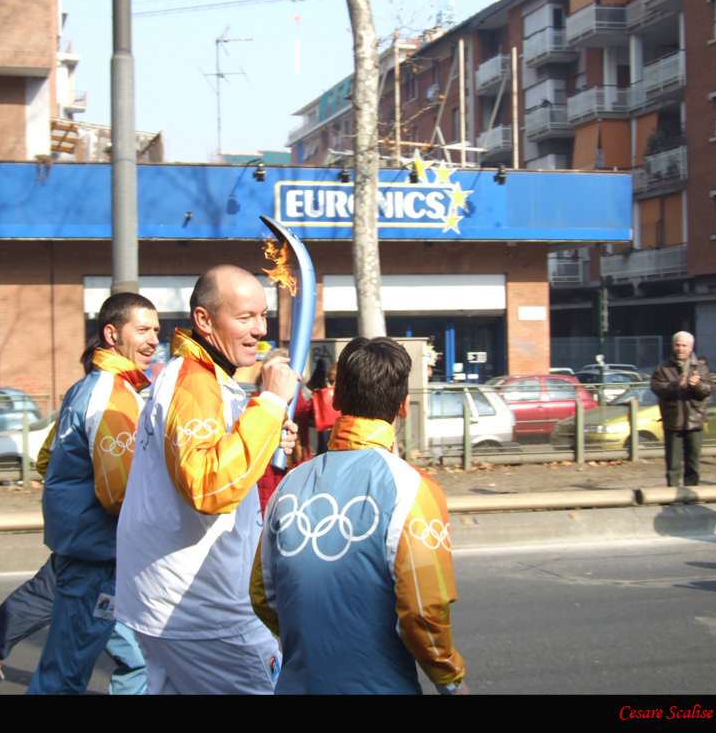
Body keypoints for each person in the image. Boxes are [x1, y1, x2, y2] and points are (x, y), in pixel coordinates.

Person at [115, 264, 299, 695]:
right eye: (245, 317)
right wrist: (271, 403)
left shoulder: (198, 377)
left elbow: (218, 459)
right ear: (204, 320)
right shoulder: (195, 383)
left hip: (169, 603)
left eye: (263, 316)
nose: (259, 329)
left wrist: (265, 431)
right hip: (204, 612)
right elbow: (209, 486)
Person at [250, 336, 467, 695]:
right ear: (404, 406)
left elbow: (261, 595)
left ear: (335, 399)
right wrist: (452, 681)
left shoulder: (289, 484)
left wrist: (313, 637)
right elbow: (424, 615)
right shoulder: (415, 489)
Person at [24, 292, 160, 694]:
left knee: (140, 663)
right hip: (97, 561)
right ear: (112, 334)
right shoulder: (113, 396)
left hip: (96, 555)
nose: (153, 339)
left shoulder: (86, 387)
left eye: (156, 330)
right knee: (64, 675)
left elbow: (46, 460)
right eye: (143, 330)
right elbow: (120, 495)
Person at [650, 331, 713, 488]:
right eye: (677, 345)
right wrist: (675, 385)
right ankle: (673, 496)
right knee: (673, 465)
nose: (680, 348)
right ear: (673, 346)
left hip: (695, 420)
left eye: (684, 345)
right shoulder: (663, 368)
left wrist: (696, 385)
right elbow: (657, 388)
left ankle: (691, 496)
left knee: (693, 463)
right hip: (673, 420)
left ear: (691, 347)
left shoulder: (701, 368)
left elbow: (709, 389)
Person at [255, 347, 312, 516]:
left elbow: (313, 413)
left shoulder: (300, 403)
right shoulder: (259, 403)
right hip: (268, 478)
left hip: (297, 473)